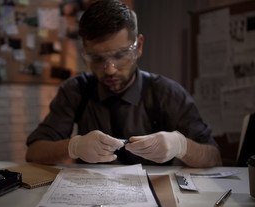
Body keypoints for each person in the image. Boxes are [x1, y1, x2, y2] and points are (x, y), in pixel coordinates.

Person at [26, 0, 222, 167]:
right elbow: (33, 153)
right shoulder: (75, 90)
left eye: (120, 55)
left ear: (139, 47)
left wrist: (182, 146)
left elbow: (214, 157)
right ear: (83, 52)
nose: (110, 69)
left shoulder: (167, 93)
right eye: (96, 58)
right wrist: (73, 147)